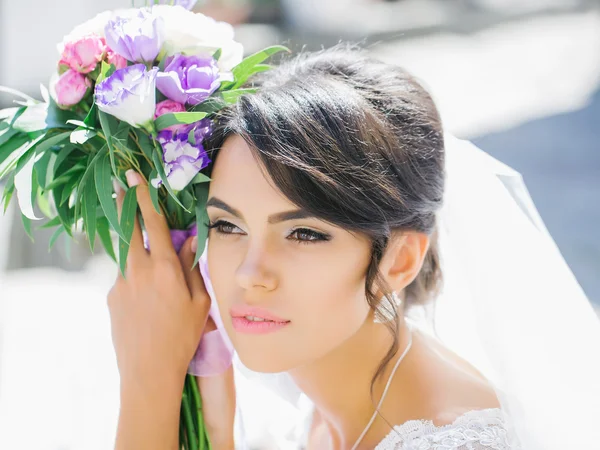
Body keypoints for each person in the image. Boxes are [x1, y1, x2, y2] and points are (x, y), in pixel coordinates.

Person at [107, 44, 600, 450]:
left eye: (304, 233)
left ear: (399, 259)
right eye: (228, 226)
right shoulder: (317, 412)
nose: (249, 274)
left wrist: (150, 378)